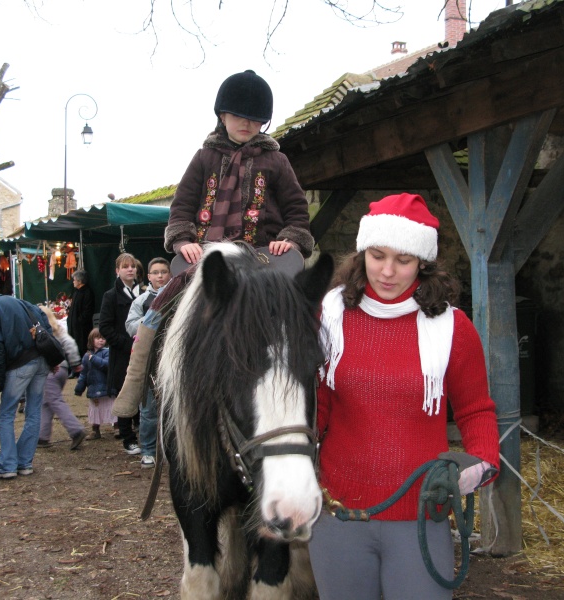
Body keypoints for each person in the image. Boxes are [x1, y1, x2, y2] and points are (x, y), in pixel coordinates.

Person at [309, 193, 501, 600]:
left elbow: (475, 409)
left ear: (423, 263)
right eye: (377, 256)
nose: (388, 271)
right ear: (362, 253)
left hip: (421, 513)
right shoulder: (329, 315)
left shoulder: (453, 327)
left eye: (404, 259)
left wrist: (481, 463)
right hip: (339, 511)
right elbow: (319, 401)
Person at [164, 69, 314, 265]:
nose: (246, 122)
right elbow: (183, 204)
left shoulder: (277, 160)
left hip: (263, 259)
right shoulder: (203, 157)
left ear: (263, 122)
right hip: (206, 259)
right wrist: (183, 240)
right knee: (170, 297)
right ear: (223, 117)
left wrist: (290, 240)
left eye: (254, 118)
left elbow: (296, 208)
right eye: (237, 115)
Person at [0, 285, 52, 479]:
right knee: (33, 412)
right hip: (41, 360)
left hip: (20, 364)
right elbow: (44, 320)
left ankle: (8, 464)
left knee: (6, 414)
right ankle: (24, 462)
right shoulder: (17, 301)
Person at [122, 257, 171, 468]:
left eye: (164, 272)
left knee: (172, 409)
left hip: (171, 359)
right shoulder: (140, 301)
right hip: (149, 360)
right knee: (149, 409)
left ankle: (171, 451)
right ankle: (149, 450)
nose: (160, 276)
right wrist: (151, 319)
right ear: (149, 276)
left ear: (170, 274)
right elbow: (130, 326)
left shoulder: (179, 297)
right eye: (156, 272)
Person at [97, 253, 142, 454]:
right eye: (125, 267)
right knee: (125, 393)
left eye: (132, 266)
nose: (130, 270)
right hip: (123, 352)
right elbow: (105, 327)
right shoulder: (111, 296)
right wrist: (124, 343)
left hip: (144, 350)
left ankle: (143, 432)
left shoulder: (145, 292)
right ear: (118, 271)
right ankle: (127, 437)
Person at [37, 306, 85, 450]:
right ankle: (42, 436)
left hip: (50, 370)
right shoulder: (58, 330)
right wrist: (75, 363)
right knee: (47, 402)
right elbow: (70, 344)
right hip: (63, 369)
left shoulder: (40, 331)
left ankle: (76, 430)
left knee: (55, 400)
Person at [74, 328, 115, 440]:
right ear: (92, 340)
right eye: (98, 338)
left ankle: (117, 427)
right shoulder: (87, 356)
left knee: (111, 406)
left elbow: (107, 365)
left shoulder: (107, 352)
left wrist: (94, 359)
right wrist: (79, 388)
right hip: (93, 387)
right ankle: (95, 430)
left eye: (103, 338)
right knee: (95, 409)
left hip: (106, 386)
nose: (101, 340)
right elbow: (83, 373)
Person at [66, 269, 95, 377]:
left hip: (82, 328)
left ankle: (83, 370)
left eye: (74, 280)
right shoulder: (77, 292)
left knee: (82, 348)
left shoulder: (87, 292)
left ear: (79, 281)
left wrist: (79, 321)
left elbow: (87, 311)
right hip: (74, 327)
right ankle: (75, 370)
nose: (73, 281)